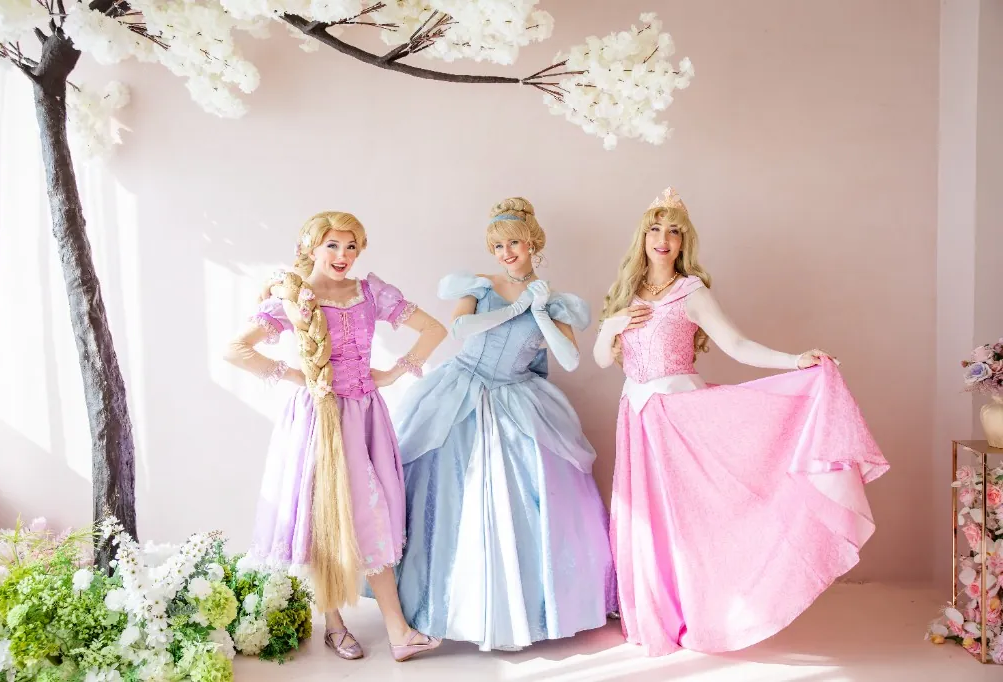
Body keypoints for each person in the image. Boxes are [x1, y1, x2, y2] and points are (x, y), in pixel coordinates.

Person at [594, 188, 890, 656]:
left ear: (684, 241)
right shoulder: (627, 293)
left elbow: (737, 345)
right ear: (642, 237)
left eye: (674, 230)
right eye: (655, 229)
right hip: (636, 417)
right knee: (645, 516)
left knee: (692, 517)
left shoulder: (692, 292)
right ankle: (653, 613)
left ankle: (704, 610)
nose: (663, 239)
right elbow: (600, 358)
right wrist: (612, 325)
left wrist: (796, 361)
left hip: (680, 417)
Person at [393, 197, 617, 651]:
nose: (506, 253)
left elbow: (569, 360)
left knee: (527, 497)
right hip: (461, 392)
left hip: (518, 397)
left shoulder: (556, 302)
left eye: (513, 243)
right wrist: (517, 310)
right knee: (447, 493)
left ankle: (527, 613)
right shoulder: (480, 286)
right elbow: (460, 331)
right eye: (497, 246)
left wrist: (541, 311)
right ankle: (436, 608)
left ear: (533, 242)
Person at [224, 211, 446, 662]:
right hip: (315, 419)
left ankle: (398, 631)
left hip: (364, 416)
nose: (343, 256)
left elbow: (434, 329)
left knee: (371, 513)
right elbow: (235, 349)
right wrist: (299, 377)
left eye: (351, 247)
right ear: (311, 247)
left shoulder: (369, 294)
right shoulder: (294, 298)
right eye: (333, 246)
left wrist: (391, 373)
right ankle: (335, 624)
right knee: (323, 517)